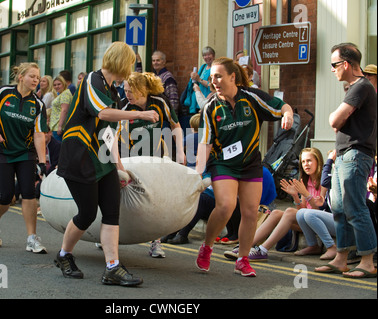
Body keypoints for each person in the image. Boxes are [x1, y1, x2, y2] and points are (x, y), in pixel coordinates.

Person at [54, 42, 159, 286]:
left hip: (102, 160)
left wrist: (120, 168)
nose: (131, 68)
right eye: (130, 62)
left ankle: (112, 267)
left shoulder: (113, 91)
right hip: (79, 157)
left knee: (112, 212)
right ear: (122, 62)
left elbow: (109, 135)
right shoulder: (93, 80)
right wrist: (140, 114)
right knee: (88, 213)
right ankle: (63, 255)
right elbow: (102, 114)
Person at [195, 57, 294, 277]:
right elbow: (206, 142)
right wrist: (199, 173)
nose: (214, 82)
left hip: (250, 164)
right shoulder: (211, 106)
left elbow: (281, 106)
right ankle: (207, 247)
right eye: (212, 78)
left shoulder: (251, 97)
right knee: (226, 206)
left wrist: (287, 114)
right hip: (223, 164)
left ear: (233, 77)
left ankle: (243, 259)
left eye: (218, 76)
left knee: (250, 212)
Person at [315, 43, 377, 278]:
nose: (332, 69)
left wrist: (335, 117)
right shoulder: (355, 88)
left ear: (347, 64)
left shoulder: (361, 87)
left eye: (334, 64)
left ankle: (368, 261)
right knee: (339, 210)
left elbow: (334, 121)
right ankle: (341, 259)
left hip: (355, 155)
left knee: (355, 208)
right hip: (343, 156)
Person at [0, 62, 48, 254]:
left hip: (25, 152)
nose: (35, 80)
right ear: (20, 77)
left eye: (38, 77)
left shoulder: (38, 104)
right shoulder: (3, 93)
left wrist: (42, 162)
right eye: (31, 76)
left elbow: (39, 134)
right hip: (0, 150)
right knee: (6, 195)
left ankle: (32, 238)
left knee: (29, 192)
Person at [118, 72, 186, 257]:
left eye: (131, 90)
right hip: (131, 160)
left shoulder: (159, 101)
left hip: (157, 158)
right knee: (123, 200)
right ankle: (109, 235)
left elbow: (176, 126)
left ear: (143, 90)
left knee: (157, 200)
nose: (127, 95)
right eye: (125, 90)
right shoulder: (124, 107)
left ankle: (155, 243)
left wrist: (180, 151)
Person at [295, 150, 336, 260]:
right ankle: (313, 245)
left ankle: (331, 247)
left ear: (318, 162)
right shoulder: (305, 180)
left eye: (309, 161)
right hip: (315, 218)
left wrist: (306, 194)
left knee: (308, 214)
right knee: (300, 213)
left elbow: (320, 208)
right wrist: (295, 195)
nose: (306, 164)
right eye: (303, 162)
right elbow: (302, 208)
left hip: (334, 219)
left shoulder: (325, 179)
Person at [182, 47, 216, 117]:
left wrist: (199, 79)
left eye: (209, 54)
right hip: (197, 101)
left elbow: (213, 85)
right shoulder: (203, 67)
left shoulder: (216, 68)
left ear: (213, 55)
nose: (207, 57)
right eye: (204, 55)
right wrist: (193, 78)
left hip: (208, 101)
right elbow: (196, 82)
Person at [50, 75, 73, 141]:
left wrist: (60, 126)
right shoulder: (61, 94)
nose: (56, 86)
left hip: (58, 127)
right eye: (54, 85)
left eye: (59, 84)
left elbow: (64, 110)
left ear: (63, 84)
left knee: (58, 149)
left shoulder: (65, 94)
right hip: (55, 126)